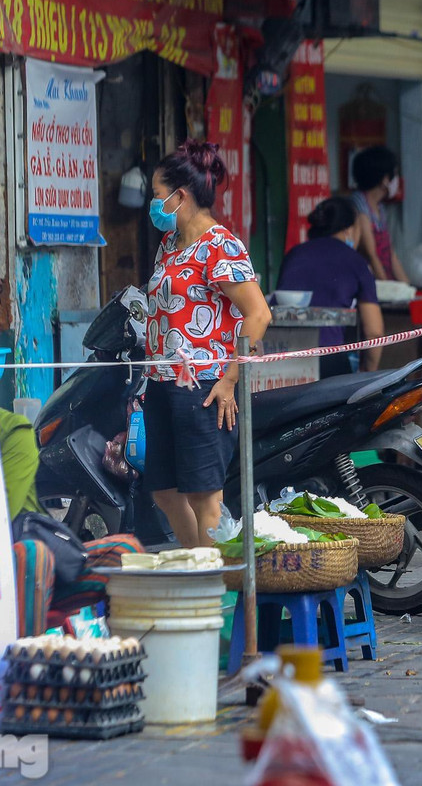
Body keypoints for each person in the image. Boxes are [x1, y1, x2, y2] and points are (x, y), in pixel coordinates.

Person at [0, 338, 144, 637]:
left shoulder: (11, 431)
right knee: (32, 556)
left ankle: (117, 663)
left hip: (11, 553)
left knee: (126, 551)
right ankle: (30, 671)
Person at [143, 140, 271, 548]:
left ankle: (216, 594)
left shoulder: (221, 245)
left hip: (205, 386)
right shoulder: (169, 246)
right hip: (162, 383)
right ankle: (199, 568)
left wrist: (230, 379)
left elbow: (258, 314)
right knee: (164, 492)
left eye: (158, 196)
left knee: (204, 496)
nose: (154, 204)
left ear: (180, 196)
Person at [277, 197, 386, 377]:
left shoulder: (293, 255)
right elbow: (374, 331)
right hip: (329, 360)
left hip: (283, 360)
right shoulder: (356, 262)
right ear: (348, 230)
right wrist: (369, 373)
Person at [351, 145, 409, 283]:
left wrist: (407, 288)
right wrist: (387, 287)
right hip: (371, 283)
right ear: (384, 179)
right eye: (394, 174)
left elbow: (391, 255)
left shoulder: (380, 208)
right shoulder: (359, 203)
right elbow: (371, 254)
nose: (396, 180)